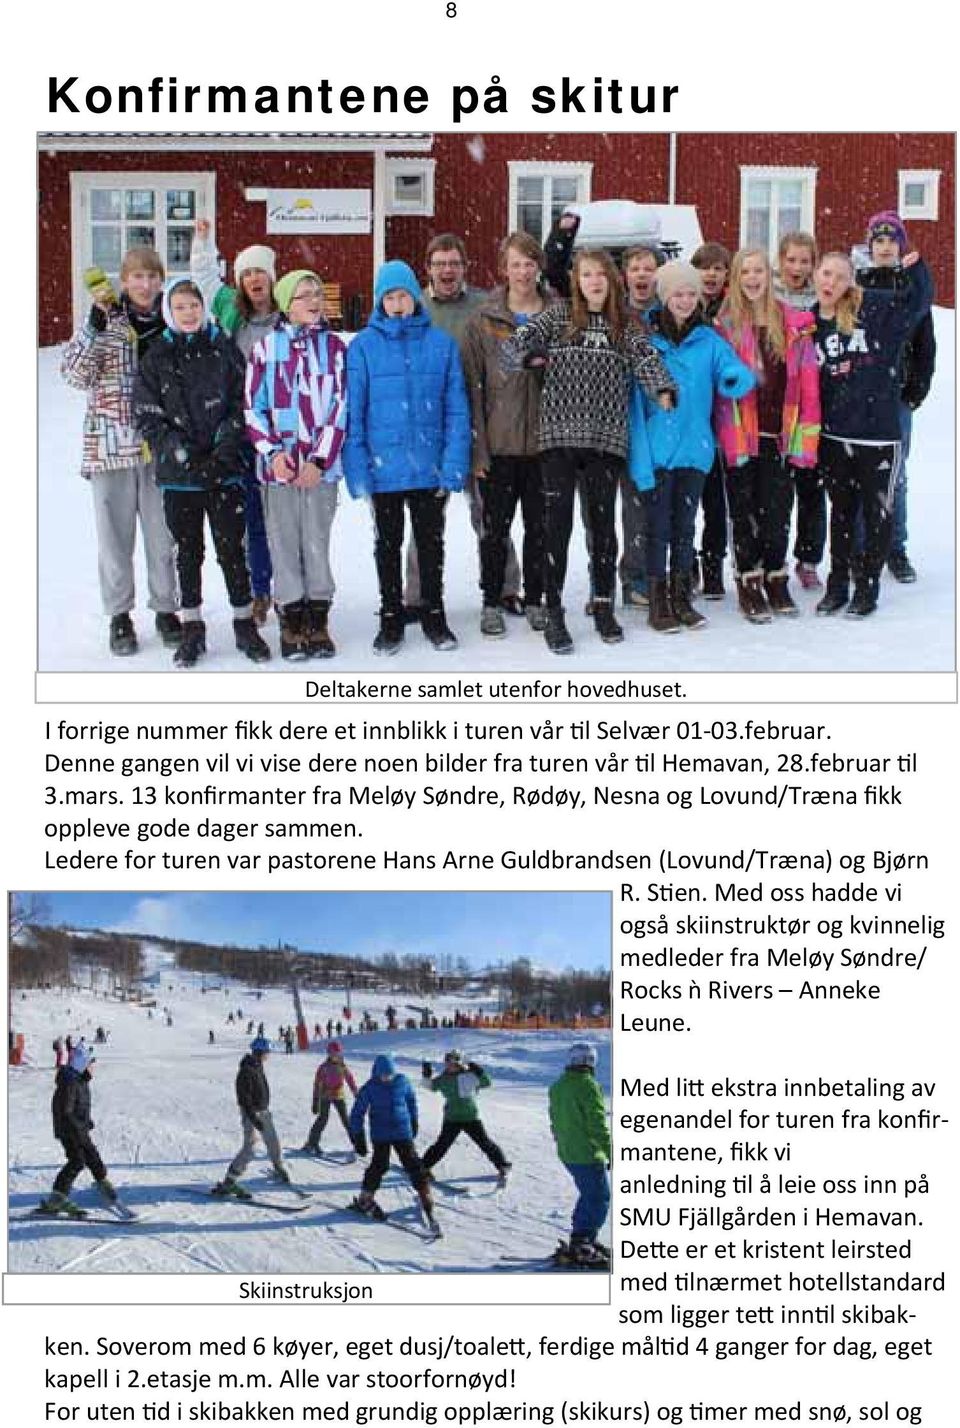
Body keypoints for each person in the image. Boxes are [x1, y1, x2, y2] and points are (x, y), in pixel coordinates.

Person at [501, 247, 677, 654]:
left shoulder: (624, 324)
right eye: (586, 275)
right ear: (577, 281)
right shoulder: (560, 315)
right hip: (559, 438)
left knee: (602, 529)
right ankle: (555, 608)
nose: (594, 281)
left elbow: (647, 359)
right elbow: (514, 346)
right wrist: (530, 357)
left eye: (601, 275)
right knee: (555, 528)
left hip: (606, 438)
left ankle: (602, 604)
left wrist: (663, 389)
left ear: (611, 281)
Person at [133, 277, 270, 668]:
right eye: (180, 307)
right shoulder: (157, 356)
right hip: (180, 477)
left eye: (193, 305)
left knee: (232, 550)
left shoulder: (223, 348)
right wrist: (182, 454)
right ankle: (192, 626)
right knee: (188, 553)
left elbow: (242, 402)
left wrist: (224, 450)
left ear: (203, 308)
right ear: (169, 313)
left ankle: (245, 623)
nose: (188, 313)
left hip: (224, 471)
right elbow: (147, 414)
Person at [343, 259, 470, 655]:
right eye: (390, 297)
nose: (398, 304)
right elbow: (354, 414)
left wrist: (453, 464)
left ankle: (434, 614)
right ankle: (391, 617)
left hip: (429, 467)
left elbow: (456, 410)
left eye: (404, 296)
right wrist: (359, 468)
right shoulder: (363, 346)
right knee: (387, 544)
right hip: (385, 470)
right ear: (381, 302)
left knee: (431, 544)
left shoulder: (441, 345)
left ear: (416, 298)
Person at [61, 246, 180, 656]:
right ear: (124, 281)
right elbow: (74, 375)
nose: (145, 284)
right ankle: (119, 615)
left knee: (163, 536)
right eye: (137, 277)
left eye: (152, 276)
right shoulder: (106, 320)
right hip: (110, 445)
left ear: (161, 280)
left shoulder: (170, 322)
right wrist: (92, 328)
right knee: (115, 539)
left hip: (160, 446)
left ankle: (167, 609)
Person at [812, 248, 932, 619]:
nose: (829, 281)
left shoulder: (875, 310)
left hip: (878, 435)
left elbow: (917, 303)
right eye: (825, 274)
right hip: (834, 436)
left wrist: (918, 271)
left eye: (838, 275)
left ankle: (867, 587)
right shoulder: (809, 322)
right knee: (842, 514)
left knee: (878, 513)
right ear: (816, 277)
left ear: (851, 282)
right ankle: (838, 584)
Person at [637, 261, 755, 633]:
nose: (685, 300)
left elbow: (734, 371)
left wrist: (735, 377)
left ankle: (682, 596)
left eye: (691, 294)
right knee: (657, 528)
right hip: (657, 450)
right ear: (664, 296)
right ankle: (658, 602)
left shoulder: (709, 340)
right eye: (677, 294)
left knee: (686, 527)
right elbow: (635, 402)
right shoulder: (646, 342)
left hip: (694, 448)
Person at [245, 271, 348, 660]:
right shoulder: (265, 349)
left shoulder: (336, 349)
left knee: (316, 541)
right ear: (287, 304)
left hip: (320, 470)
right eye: (304, 296)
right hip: (280, 471)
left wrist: (320, 460)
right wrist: (273, 453)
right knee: (284, 541)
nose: (314, 301)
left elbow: (341, 407)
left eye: (317, 293)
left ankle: (318, 615)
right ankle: (290, 615)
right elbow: (253, 409)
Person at [714, 247, 821, 622]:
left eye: (758, 271)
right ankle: (748, 578)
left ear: (768, 274)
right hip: (742, 432)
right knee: (743, 513)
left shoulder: (791, 324)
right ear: (737, 278)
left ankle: (776, 576)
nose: (752, 279)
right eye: (745, 272)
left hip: (781, 433)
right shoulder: (725, 325)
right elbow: (721, 388)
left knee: (777, 510)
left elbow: (808, 382)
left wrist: (806, 441)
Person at [191, 217, 281, 623]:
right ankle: (260, 590)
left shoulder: (288, 317)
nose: (253, 279)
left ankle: (294, 591)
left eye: (260, 271)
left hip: (282, 432)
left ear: (273, 277)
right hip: (240, 431)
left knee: (285, 518)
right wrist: (203, 242)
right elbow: (206, 281)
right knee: (253, 517)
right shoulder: (231, 310)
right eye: (246, 273)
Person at [462, 232, 550, 637]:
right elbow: (472, 388)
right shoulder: (484, 319)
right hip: (498, 443)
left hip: (546, 444)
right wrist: (478, 448)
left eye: (529, 263)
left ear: (539, 267)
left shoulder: (558, 314)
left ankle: (535, 599)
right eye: (515, 264)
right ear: (504, 269)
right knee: (494, 530)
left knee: (539, 528)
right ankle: (492, 600)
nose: (523, 271)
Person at [855, 211, 936, 585]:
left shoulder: (912, 286)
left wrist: (917, 387)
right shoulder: (858, 283)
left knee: (894, 477)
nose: (885, 247)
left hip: (896, 395)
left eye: (891, 241)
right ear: (870, 247)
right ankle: (856, 547)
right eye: (879, 241)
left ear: (900, 245)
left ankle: (895, 548)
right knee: (856, 475)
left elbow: (925, 344)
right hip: (859, 397)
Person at [690, 242, 732, 599]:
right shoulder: (683, 305)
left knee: (717, 503)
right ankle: (686, 563)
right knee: (686, 498)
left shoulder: (734, 311)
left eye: (718, 268)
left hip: (724, 420)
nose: (711, 274)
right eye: (704, 267)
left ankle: (713, 564)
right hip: (690, 419)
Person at [348, 1054, 436, 1223]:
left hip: (402, 1132)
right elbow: (357, 1113)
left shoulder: (402, 1082)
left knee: (413, 1163)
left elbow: (411, 1100)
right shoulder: (370, 1088)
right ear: (376, 1073)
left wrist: (413, 1119)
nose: (387, 1078)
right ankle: (365, 1198)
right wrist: (358, 1136)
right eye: (383, 1075)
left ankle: (425, 1193)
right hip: (381, 1134)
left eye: (390, 1075)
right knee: (380, 1165)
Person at [39, 1043, 121, 1216]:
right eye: (91, 1064)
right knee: (77, 1161)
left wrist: (86, 1121)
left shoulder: (80, 1081)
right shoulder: (70, 1082)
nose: (93, 1068)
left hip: (78, 1128)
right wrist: (78, 1127)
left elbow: (78, 1107)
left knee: (92, 1155)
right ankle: (57, 1198)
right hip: (69, 1131)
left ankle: (102, 1183)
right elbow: (65, 1111)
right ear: (82, 1064)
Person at [548, 1042, 611, 1264]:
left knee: (589, 1194)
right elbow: (596, 1124)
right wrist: (610, 1150)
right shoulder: (587, 1085)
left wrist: (563, 1140)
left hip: (568, 1152)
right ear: (592, 1061)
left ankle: (585, 1238)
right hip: (587, 1153)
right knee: (599, 1197)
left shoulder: (558, 1086)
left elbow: (554, 1118)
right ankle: (582, 1241)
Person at [213, 1036, 290, 1196]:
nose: (269, 1055)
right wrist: (253, 1118)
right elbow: (244, 1099)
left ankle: (278, 1167)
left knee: (272, 1140)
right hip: (251, 1114)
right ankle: (230, 1181)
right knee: (251, 1147)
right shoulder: (246, 1071)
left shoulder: (257, 1065)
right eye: (267, 1052)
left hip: (264, 1111)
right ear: (260, 1052)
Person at [420, 1050, 510, 1182]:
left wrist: (479, 1070)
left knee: (484, 1142)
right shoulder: (443, 1078)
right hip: (452, 1118)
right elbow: (430, 1087)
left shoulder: (469, 1076)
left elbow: (487, 1082)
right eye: (448, 1063)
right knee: (442, 1144)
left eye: (454, 1063)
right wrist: (426, 1075)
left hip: (471, 1117)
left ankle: (502, 1165)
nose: (450, 1066)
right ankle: (423, 1167)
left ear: (459, 1064)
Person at [302, 1040, 357, 1154]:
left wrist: (355, 1092)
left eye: (337, 1054)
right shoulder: (323, 1067)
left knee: (346, 1120)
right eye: (332, 1054)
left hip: (339, 1095)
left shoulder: (343, 1066)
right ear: (328, 1054)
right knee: (323, 1119)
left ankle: (357, 1143)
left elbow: (350, 1080)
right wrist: (315, 1101)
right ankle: (312, 1143)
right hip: (325, 1096)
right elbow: (317, 1084)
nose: (334, 1056)